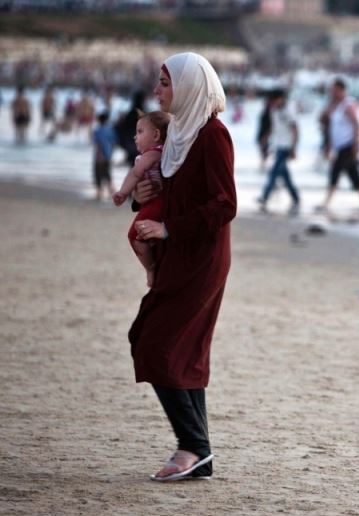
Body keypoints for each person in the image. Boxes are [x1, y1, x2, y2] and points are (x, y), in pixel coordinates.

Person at [128, 52, 236, 482]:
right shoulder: (178, 135)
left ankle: (192, 446)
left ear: (190, 87)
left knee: (154, 341)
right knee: (176, 346)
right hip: (179, 251)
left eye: (166, 83)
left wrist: (170, 228)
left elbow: (225, 204)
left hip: (202, 256)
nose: (157, 91)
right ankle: (199, 452)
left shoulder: (212, 135)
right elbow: (167, 193)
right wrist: (144, 199)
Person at [112, 111, 170, 287]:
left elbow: (135, 173)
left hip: (157, 202)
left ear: (156, 135)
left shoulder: (152, 154)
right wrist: (135, 195)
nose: (135, 136)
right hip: (156, 201)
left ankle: (150, 269)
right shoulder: (164, 152)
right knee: (142, 235)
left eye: (139, 132)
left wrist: (123, 192)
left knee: (134, 236)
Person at [320, 78, 359, 212]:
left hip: (348, 144)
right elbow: (331, 126)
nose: (332, 93)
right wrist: (329, 145)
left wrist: (356, 143)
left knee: (336, 171)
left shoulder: (348, 104)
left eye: (335, 90)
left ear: (342, 90)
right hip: (339, 145)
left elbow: (356, 124)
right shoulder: (335, 105)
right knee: (353, 174)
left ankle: (326, 202)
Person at [257, 88, 300, 215]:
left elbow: (295, 129)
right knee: (284, 175)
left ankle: (265, 196)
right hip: (278, 145)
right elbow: (274, 127)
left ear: (281, 98)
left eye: (274, 100)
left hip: (286, 147)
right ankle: (296, 197)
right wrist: (266, 137)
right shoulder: (274, 110)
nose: (273, 103)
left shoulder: (289, 110)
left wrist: (293, 147)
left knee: (274, 172)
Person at [115, 90, 147, 167]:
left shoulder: (130, 114)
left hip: (130, 144)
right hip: (141, 145)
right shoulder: (145, 114)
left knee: (134, 166)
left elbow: (122, 128)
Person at [91, 111, 117, 202]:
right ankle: (112, 190)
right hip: (108, 153)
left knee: (98, 173)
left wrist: (99, 155)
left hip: (100, 154)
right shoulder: (110, 130)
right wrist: (111, 154)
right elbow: (113, 143)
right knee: (107, 172)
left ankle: (99, 191)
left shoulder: (97, 130)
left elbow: (97, 144)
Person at [256, 92, 274, 171]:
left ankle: (264, 164)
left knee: (265, 150)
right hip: (262, 133)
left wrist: (266, 136)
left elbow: (270, 126)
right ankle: (263, 164)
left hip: (264, 134)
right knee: (264, 150)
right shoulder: (267, 112)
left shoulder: (269, 113)